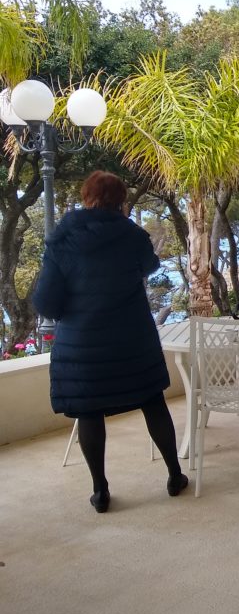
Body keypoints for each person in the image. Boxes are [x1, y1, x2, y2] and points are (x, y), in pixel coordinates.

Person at [32, 171, 188, 513]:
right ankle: (175, 475)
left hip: (82, 346)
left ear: (86, 197)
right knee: (153, 402)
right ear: (122, 201)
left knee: (89, 411)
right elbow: (150, 265)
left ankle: (100, 491)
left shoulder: (63, 241)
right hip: (133, 341)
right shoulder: (133, 235)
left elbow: (46, 303)